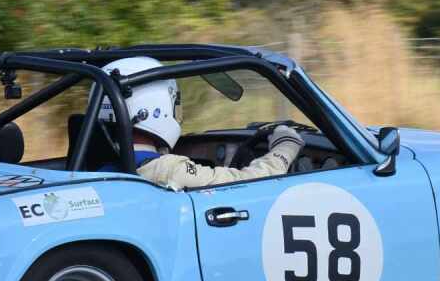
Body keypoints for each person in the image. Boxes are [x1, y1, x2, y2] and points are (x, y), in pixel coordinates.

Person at [100, 56, 304, 191]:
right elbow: (251, 181)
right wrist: (285, 147)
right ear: (155, 108)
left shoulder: (91, 167)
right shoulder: (168, 171)